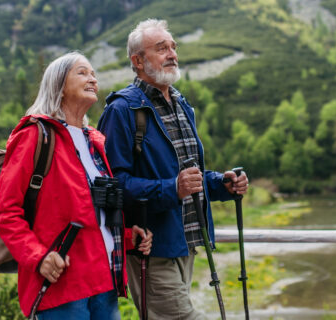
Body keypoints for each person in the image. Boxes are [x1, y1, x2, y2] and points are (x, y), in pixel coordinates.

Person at [98, 18, 249, 319]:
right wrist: (172, 189)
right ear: (138, 61)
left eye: (173, 47)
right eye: (161, 48)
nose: (172, 54)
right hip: (151, 247)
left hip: (186, 242)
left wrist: (222, 184)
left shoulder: (182, 106)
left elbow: (188, 175)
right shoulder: (121, 110)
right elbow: (112, 185)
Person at [0, 52, 152, 319]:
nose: (92, 79)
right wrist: (39, 257)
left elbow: (91, 214)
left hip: (105, 283)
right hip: (62, 287)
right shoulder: (34, 136)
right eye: (82, 72)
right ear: (58, 84)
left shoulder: (95, 141)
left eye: (93, 74)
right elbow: (6, 213)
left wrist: (127, 237)